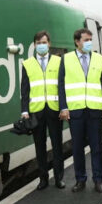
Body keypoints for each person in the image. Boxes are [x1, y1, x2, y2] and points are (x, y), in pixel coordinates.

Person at [59, 28, 102, 193]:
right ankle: (80, 180)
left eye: (90, 40)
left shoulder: (100, 59)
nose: (89, 43)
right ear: (77, 41)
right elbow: (61, 85)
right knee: (77, 147)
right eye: (86, 40)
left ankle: (98, 179)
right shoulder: (66, 59)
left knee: (96, 146)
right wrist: (63, 107)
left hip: (94, 110)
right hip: (75, 111)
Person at [20, 30, 65, 190]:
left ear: (49, 44)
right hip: (36, 111)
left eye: (44, 42)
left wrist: (64, 107)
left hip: (54, 110)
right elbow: (24, 90)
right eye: (38, 43)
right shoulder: (27, 64)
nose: (41, 45)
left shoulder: (58, 62)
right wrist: (24, 111)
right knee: (39, 146)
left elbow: (62, 87)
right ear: (34, 45)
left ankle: (59, 178)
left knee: (57, 145)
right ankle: (43, 179)